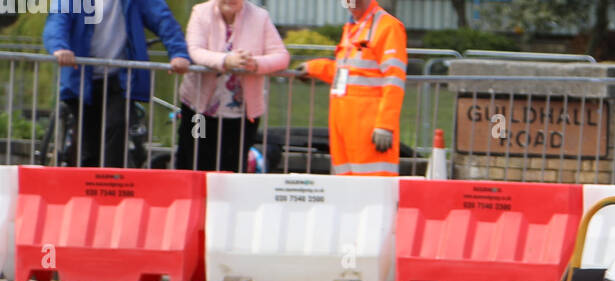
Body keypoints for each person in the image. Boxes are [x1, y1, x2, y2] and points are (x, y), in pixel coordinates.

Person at [45, 0, 191, 168]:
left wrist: (179, 53)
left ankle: (111, 186)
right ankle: (87, 188)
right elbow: (57, 19)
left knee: (115, 130)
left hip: (120, 77)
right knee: (87, 145)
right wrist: (59, 48)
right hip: (82, 78)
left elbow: (162, 19)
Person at [176, 0, 289, 173]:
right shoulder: (200, 12)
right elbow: (194, 50)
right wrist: (225, 60)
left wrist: (254, 64)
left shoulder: (260, 17)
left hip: (241, 115)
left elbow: (281, 56)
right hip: (199, 111)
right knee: (194, 163)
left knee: (233, 168)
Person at [297, 0, 407, 176]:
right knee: (345, 189)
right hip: (344, 124)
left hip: (369, 127)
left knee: (371, 189)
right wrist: (314, 68)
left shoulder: (388, 27)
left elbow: (394, 80)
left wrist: (385, 125)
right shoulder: (353, 27)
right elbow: (347, 71)